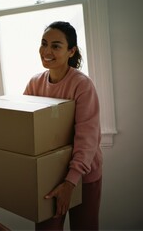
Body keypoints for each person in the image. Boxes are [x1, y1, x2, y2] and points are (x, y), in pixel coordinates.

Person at [24, 21, 102, 230]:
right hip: (48, 175)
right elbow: (26, 128)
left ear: (71, 51)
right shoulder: (34, 84)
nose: (47, 51)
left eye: (56, 46)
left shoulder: (82, 85)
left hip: (83, 175)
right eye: (44, 43)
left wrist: (71, 181)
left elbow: (87, 138)